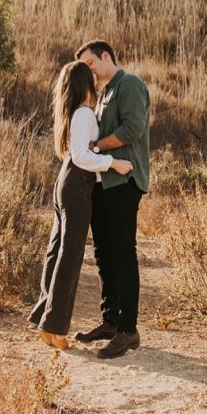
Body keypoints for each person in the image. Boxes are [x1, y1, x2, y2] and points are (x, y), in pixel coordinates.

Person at [27, 60, 133, 350]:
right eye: (92, 79)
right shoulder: (85, 113)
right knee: (69, 256)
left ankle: (46, 321)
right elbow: (81, 156)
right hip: (77, 184)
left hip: (65, 182)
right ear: (85, 84)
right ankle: (56, 327)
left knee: (56, 251)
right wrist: (115, 163)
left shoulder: (69, 112)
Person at [72, 40, 150, 359]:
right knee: (104, 253)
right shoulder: (104, 93)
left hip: (124, 180)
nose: (88, 71)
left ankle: (128, 330)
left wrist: (96, 148)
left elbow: (132, 128)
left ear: (106, 56)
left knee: (122, 252)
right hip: (105, 183)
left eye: (90, 64)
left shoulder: (128, 84)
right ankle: (110, 320)